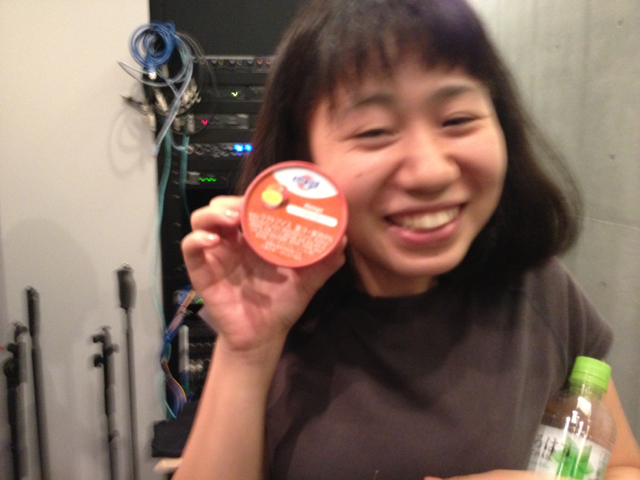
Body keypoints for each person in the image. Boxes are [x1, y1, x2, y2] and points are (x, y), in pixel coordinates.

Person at [175, 0, 640, 478]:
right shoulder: (272, 309)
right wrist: (248, 349)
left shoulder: (540, 289)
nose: (430, 171)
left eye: (457, 120)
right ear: (303, 159)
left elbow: (623, 466)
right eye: (374, 131)